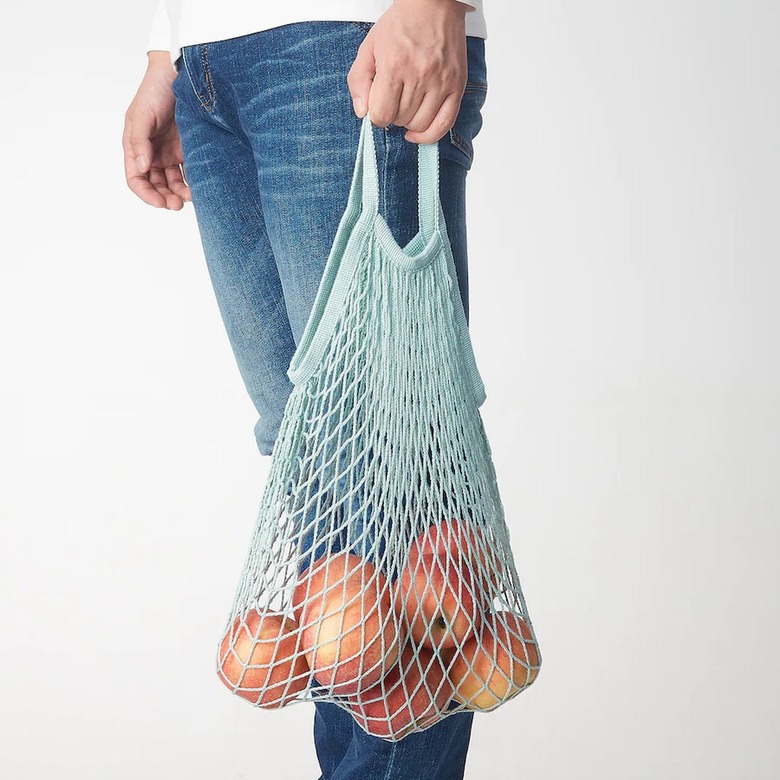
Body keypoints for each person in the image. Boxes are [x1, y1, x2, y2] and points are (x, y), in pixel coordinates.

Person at [123, 1, 488, 777]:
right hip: (209, 60)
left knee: (387, 485)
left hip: (347, 38)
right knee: (321, 476)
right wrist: (168, 49)